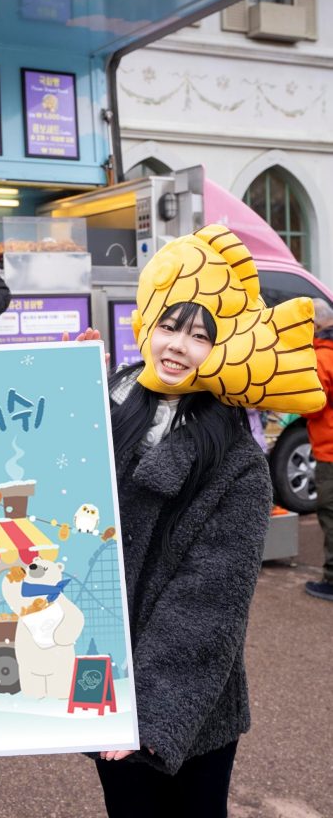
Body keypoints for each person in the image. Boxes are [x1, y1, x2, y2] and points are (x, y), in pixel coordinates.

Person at [79, 224, 324, 818]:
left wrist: (149, 719)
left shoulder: (236, 461)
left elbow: (209, 604)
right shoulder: (113, 400)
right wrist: (65, 384)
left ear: (224, 349)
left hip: (183, 703)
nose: (176, 346)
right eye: (168, 325)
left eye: (199, 336)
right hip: (107, 676)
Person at [303, 298, 333, 601]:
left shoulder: (322, 356)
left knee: (330, 511)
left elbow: (315, 402)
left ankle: (332, 580)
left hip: (330, 449)